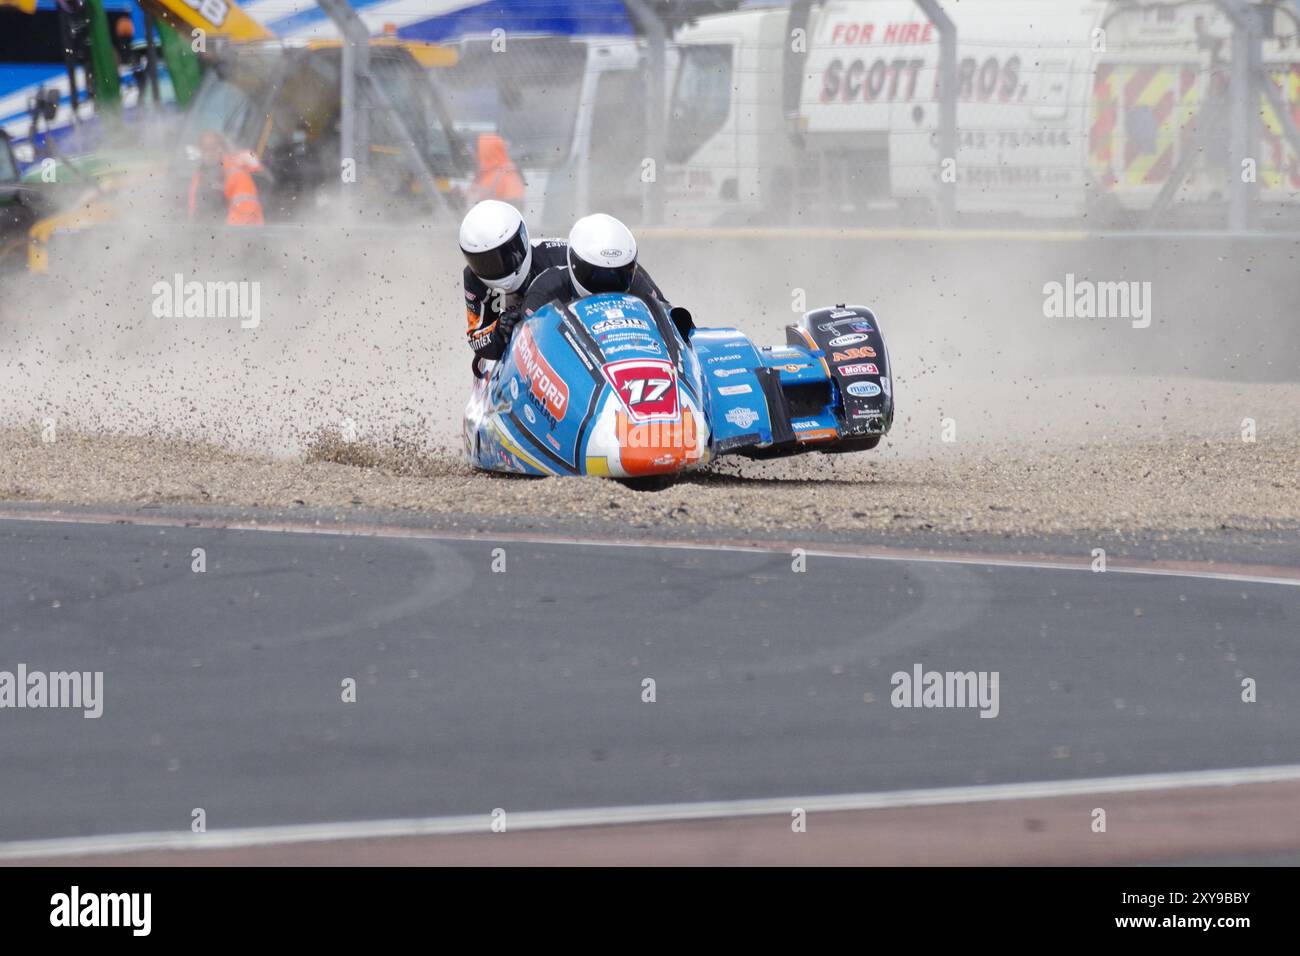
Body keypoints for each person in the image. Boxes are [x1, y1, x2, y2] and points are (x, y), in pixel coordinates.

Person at [460, 199, 567, 366]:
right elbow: (475, 337)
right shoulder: (474, 280)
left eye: (505, 256)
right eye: (484, 262)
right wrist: (499, 329)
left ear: (522, 240)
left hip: (569, 342)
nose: (497, 268)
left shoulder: (561, 254)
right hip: (519, 360)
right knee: (481, 364)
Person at [521, 213, 670, 321]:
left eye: (617, 274)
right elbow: (525, 339)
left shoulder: (637, 281)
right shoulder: (548, 287)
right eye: (596, 274)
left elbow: (669, 318)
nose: (606, 282)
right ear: (575, 264)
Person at [188, 131, 264, 226]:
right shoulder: (199, 176)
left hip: (238, 235)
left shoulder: (237, 174)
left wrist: (225, 236)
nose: (209, 152)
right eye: (204, 148)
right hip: (207, 233)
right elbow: (195, 211)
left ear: (222, 149)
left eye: (213, 147)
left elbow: (244, 217)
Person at [468, 132, 526, 210]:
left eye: (477, 151)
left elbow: (515, 205)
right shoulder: (484, 173)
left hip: (496, 220)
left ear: (485, 152)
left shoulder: (508, 173)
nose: (473, 155)